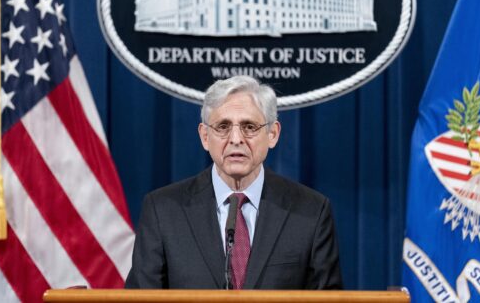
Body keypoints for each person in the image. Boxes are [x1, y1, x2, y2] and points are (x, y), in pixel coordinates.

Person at [126, 76, 342, 289]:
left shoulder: (311, 212)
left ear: (272, 134)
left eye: (249, 126)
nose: (236, 139)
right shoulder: (162, 210)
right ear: (205, 136)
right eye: (223, 126)